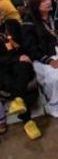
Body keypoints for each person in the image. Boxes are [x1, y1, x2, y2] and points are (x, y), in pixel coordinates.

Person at [0, 8, 42, 139]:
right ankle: (27, 120)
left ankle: (18, 101)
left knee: (23, 68)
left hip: (21, 60)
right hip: (3, 65)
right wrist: (15, 58)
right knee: (8, 80)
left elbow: (24, 42)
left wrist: (22, 55)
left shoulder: (12, 24)